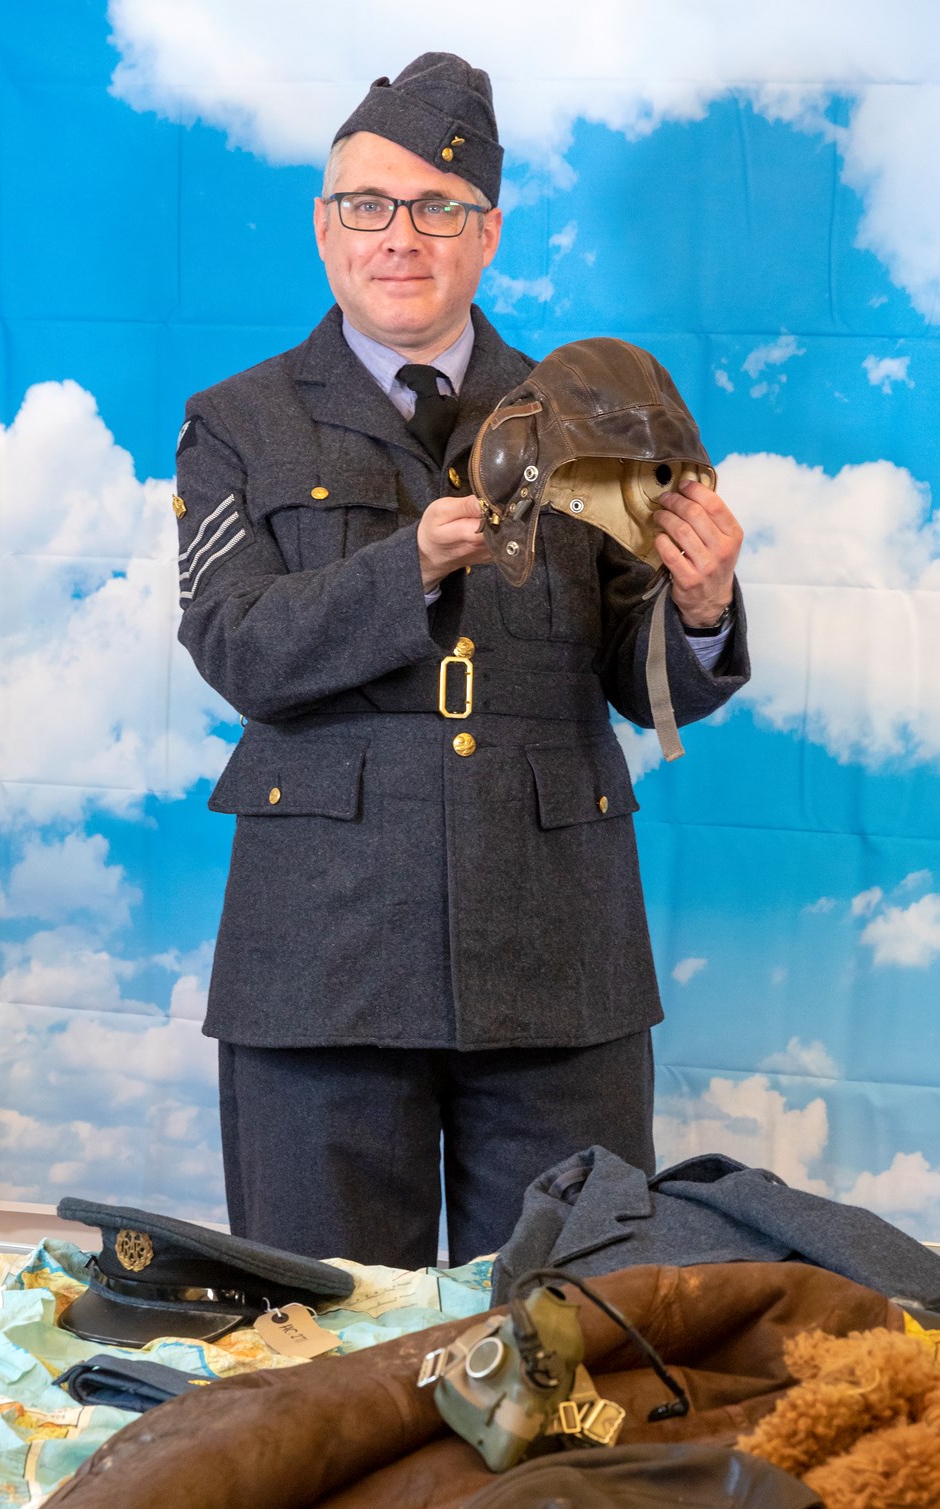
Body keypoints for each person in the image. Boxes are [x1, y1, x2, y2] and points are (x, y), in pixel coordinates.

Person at [174, 52, 748, 1269]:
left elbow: (641, 682)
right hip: (321, 954)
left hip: (555, 949)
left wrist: (700, 607)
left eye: (439, 208)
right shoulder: (237, 420)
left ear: (487, 234)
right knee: (321, 1346)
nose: (401, 236)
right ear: (326, 231)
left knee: (565, 1322)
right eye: (369, 206)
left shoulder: (592, 407)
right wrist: (410, 569)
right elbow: (235, 644)